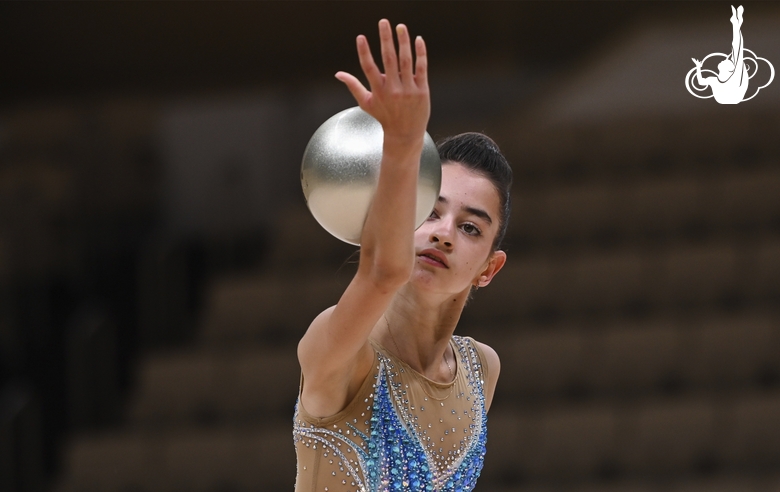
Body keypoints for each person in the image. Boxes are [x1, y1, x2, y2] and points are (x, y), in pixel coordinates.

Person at [293, 19, 511, 492]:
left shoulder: (481, 371)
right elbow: (382, 273)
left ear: (489, 269)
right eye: (428, 213)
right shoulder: (340, 349)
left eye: (470, 227)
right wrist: (405, 144)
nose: (444, 234)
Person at [692, 5, 748, 104]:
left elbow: (738, 49)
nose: (724, 59)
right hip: (728, 97)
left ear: (729, 69)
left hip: (733, 96)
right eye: (727, 61)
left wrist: (698, 67)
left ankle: (736, 24)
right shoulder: (715, 80)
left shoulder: (732, 78)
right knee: (737, 51)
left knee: (737, 51)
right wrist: (698, 67)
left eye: (726, 61)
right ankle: (736, 24)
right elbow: (701, 82)